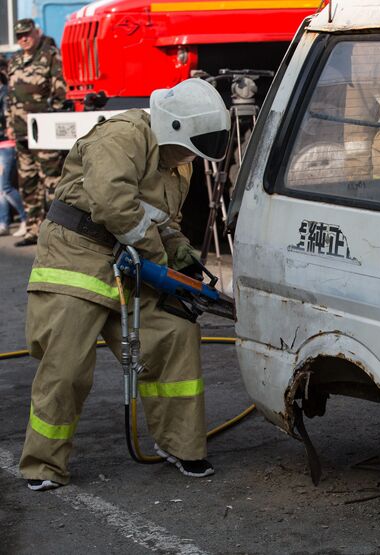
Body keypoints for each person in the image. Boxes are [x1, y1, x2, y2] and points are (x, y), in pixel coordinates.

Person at [19, 78, 231, 491]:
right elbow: (114, 205)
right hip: (76, 257)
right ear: (172, 127)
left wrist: (180, 250)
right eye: (189, 147)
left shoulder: (179, 163)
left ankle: (182, 446)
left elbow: (162, 220)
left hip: (128, 262)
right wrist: (158, 258)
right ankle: (43, 465)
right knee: (65, 365)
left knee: (174, 334)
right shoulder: (123, 136)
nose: (191, 157)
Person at [5, 18, 67, 247]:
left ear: (36, 32)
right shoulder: (15, 60)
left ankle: (59, 231)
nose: (23, 38)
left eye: (27, 34)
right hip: (21, 133)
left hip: (44, 131)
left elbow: (61, 91)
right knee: (28, 182)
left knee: (51, 180)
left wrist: (56, 120)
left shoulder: (50, 55)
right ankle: (34, 229)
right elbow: (11, 98)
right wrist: (11, 124)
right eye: (19, 35)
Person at [0, 57, 27, 236]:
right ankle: (4, 222)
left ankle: (26, 218)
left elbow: (7, 120)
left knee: (6, 187)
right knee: (0, 189)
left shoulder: (5, 94)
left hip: (7, 144)